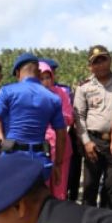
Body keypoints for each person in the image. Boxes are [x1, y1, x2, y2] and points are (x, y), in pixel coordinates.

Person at [0, 53, 65, 189]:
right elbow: (62, 135)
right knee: (35, 205)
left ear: (18, 72)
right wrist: (58, 165)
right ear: (38, 72)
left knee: (10, 204)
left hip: (12, 161)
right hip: (39, 163)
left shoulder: (7, 92)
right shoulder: (52, 98)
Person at [74, 45, 112, 208]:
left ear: (110, 60)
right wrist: (86, 142)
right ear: (90, 66)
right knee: (90, 187)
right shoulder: (84, 87)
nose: (100, 64)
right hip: (93, 142)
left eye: (103, 60)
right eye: (96, 62)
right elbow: (79, 116)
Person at [38, 61, 75, 199]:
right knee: (43, 186)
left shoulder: (61, 93)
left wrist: (53, 117)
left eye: (48, 77)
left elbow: (69, 116)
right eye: (41, 78)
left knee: (60, 186)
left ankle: (58, 217)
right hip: (41, 147)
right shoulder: (32, 95)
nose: (45, 81)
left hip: (61, 145)